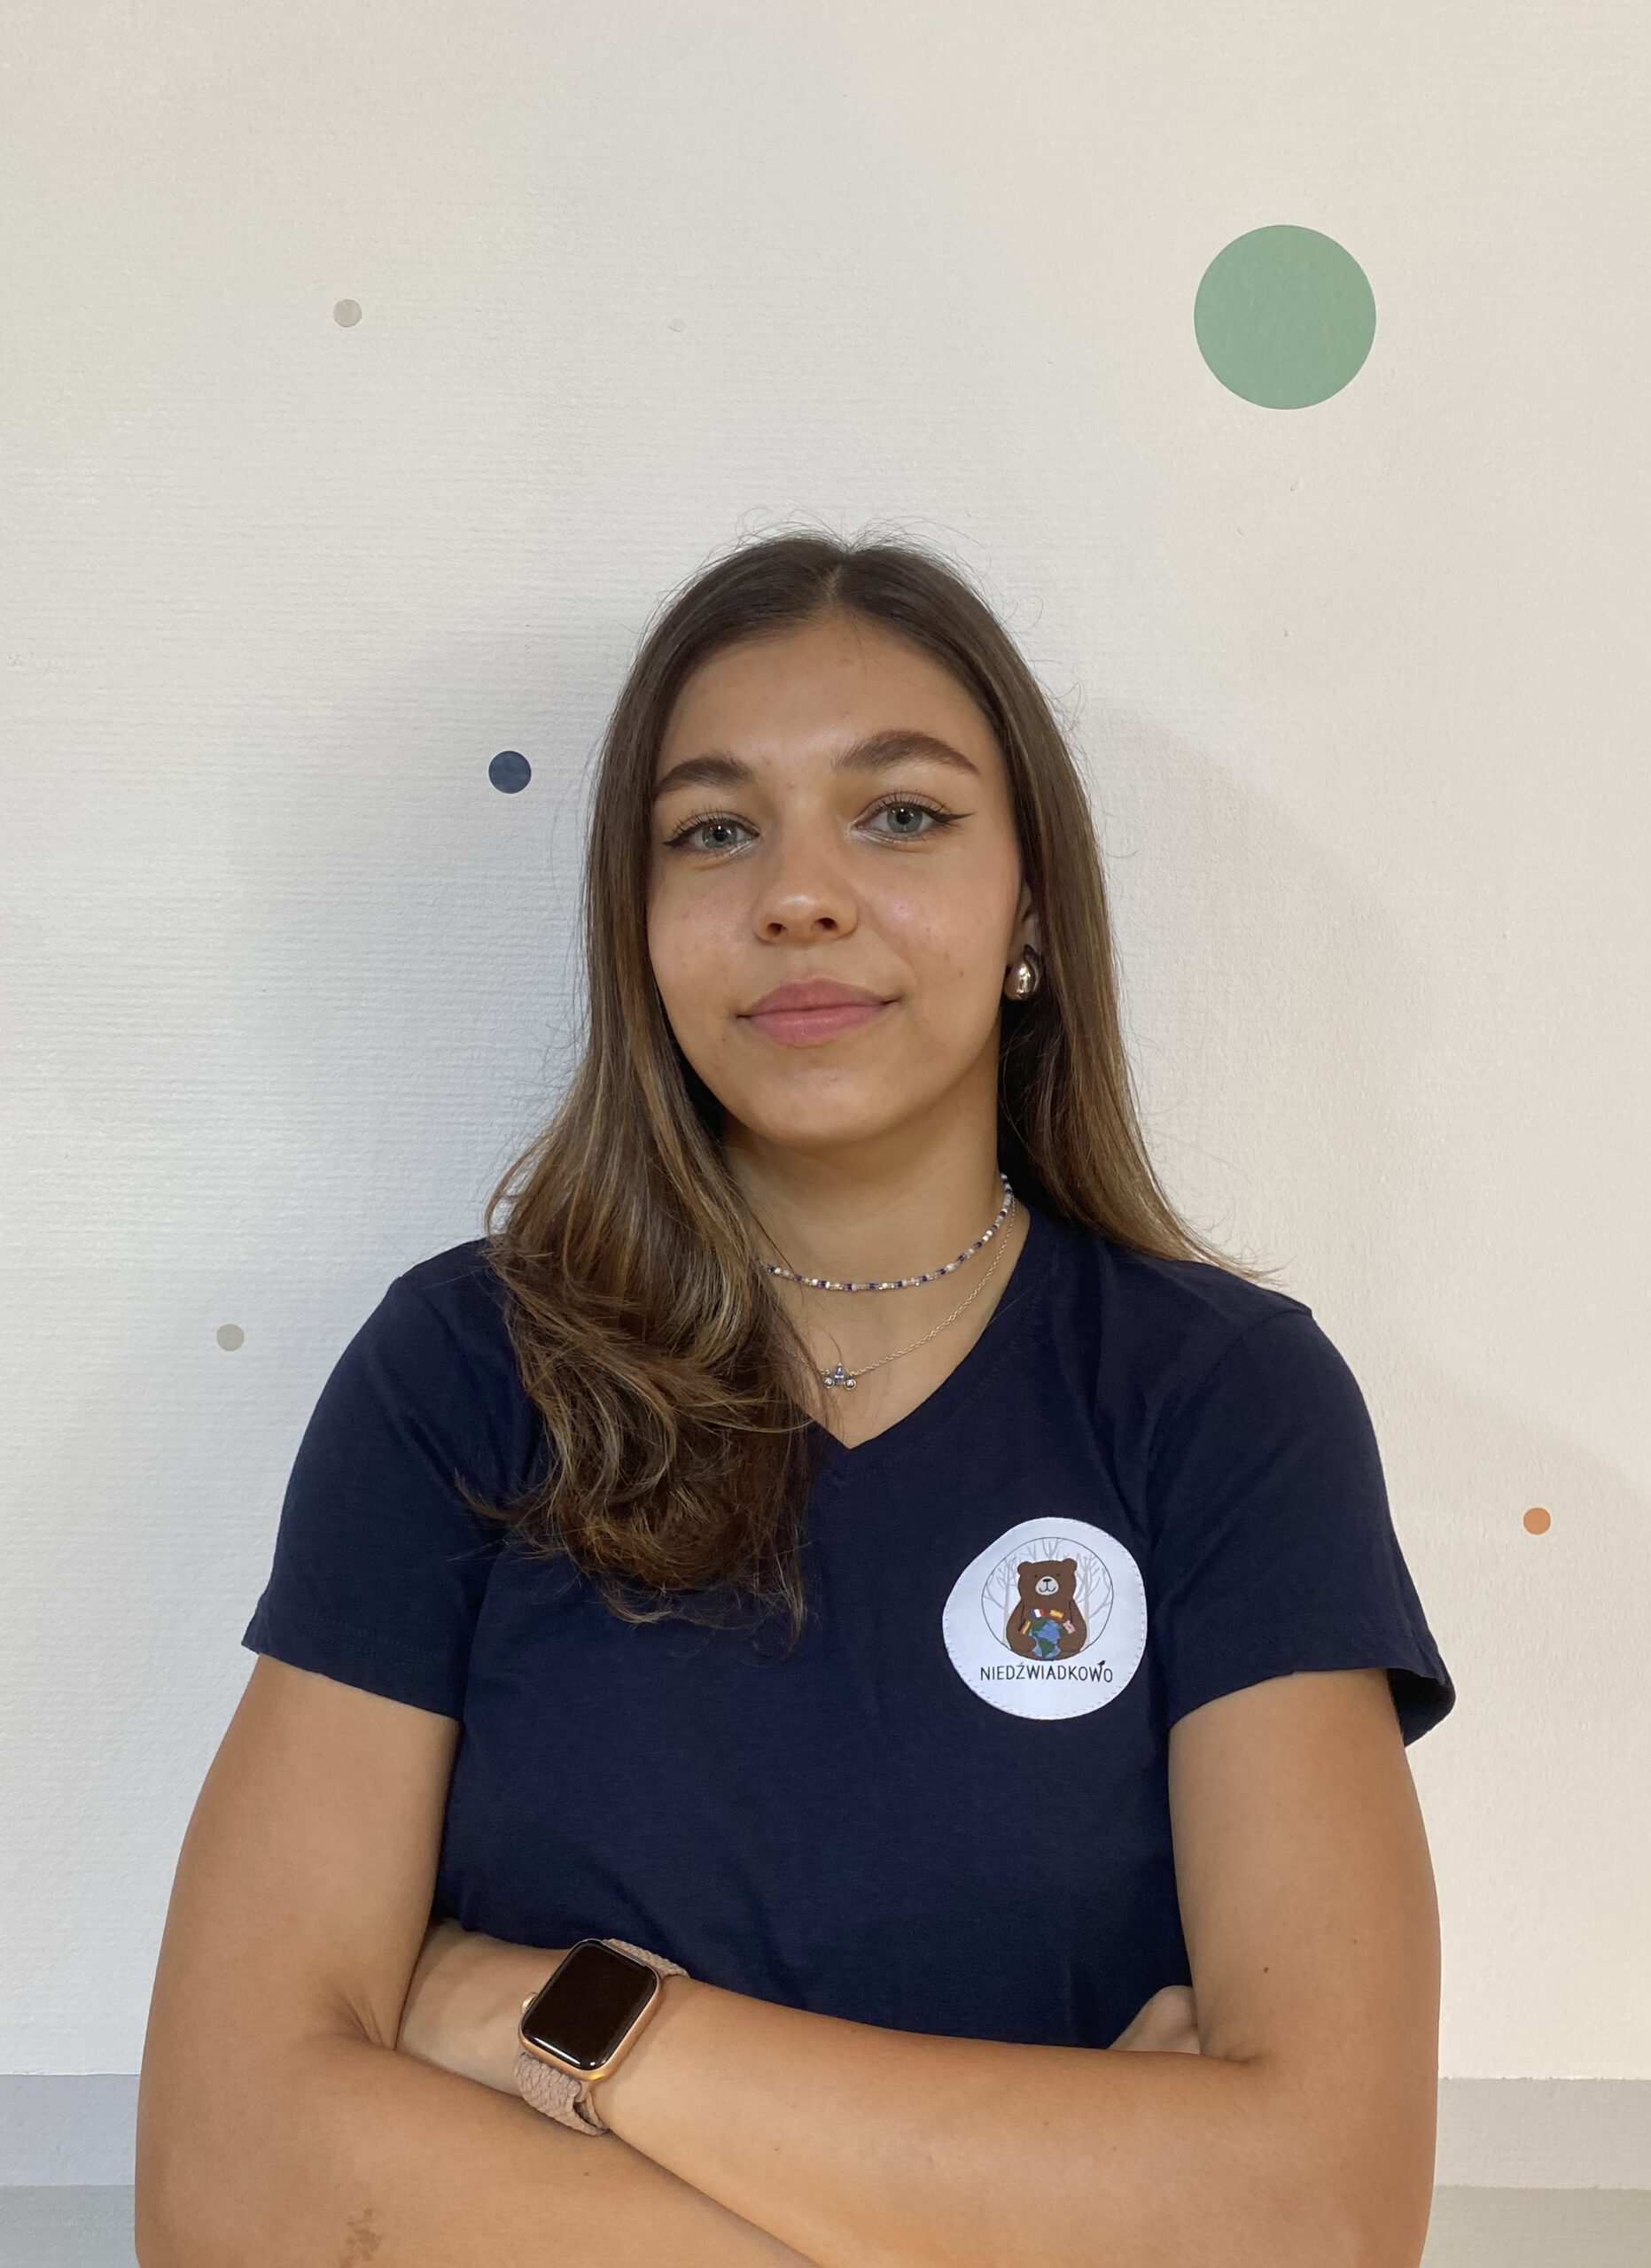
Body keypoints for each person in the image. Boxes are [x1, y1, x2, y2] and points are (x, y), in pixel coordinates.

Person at [229, 532, 1455, 2261]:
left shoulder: (1229, 1404)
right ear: (639, 928)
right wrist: (1062, 2215)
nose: (798, 895)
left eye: (901, 813)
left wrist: (567, 2023)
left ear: (1033, 909)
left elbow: (1317, 2219)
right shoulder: (462, 1374)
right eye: (713, 830)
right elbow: (231, 2186)